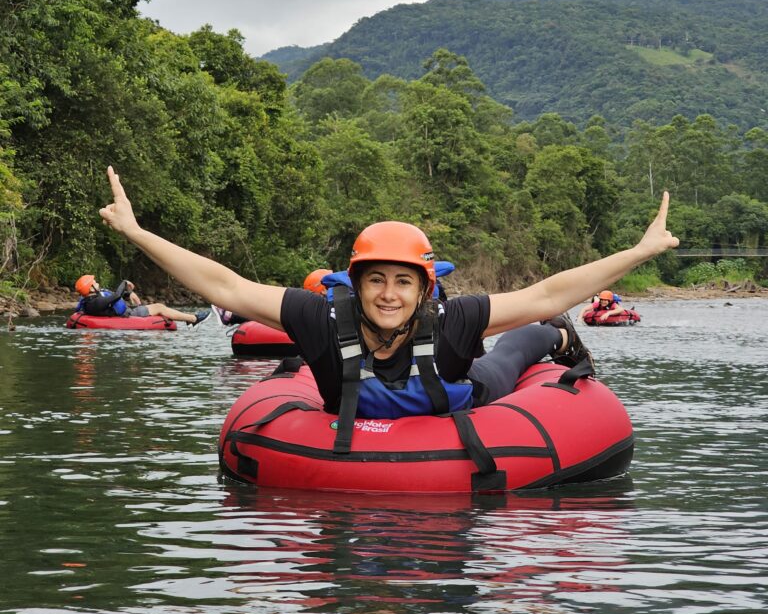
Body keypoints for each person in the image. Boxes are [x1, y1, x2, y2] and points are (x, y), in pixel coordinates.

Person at [98, 166, 678, 420]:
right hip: (352, 414)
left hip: (464, 392)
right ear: (356, 283)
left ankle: (552, 341)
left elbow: (548, 290)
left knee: (514, 348)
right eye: (376, 279)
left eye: (404, 281)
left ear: (425, 289)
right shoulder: (320, 318)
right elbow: (227, 285)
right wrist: (136, 231)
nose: (388, 294)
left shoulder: (452, 319)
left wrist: (640, 252)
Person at [73, 274, 210, 326]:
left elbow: (113, 297)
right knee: (160, 307)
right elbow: (115, 297)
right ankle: (193, 319)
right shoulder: (95, 303)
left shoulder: (90, 300)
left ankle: (190, 319)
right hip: (128, 315)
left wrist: (129, 293)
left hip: (125, 311)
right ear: (90, 288)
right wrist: (125, 282)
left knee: (155, 307)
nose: (97, 283)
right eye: (94, 282)